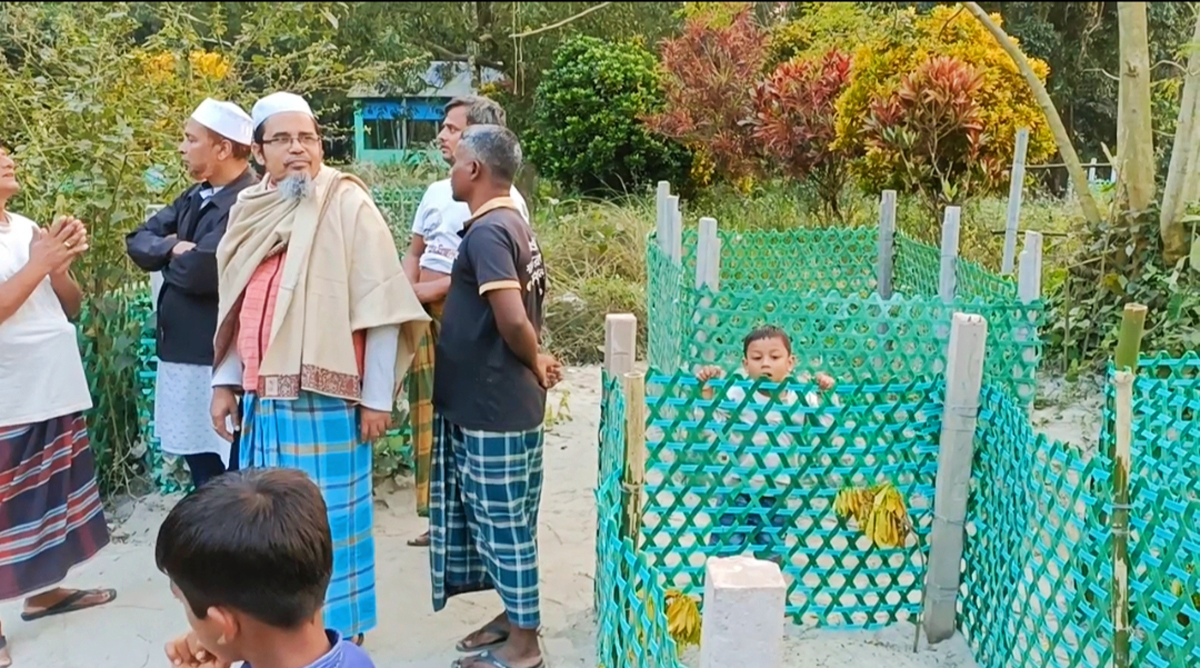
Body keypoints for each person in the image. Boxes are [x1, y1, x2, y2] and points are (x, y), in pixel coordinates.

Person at [209, 91, 430, 646]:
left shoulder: (346, 204)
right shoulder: (247, 211)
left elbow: (381, 305)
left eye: (307, 137)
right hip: (263, 405)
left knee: (328, 528)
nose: (298, 150)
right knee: (271, 531)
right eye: (282, 139)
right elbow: (238, 308)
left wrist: (378, 398)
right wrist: (224, 384)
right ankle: (279, 635)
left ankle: (341, 640)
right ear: (257, 151)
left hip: (326, 406)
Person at [429, 124, 559, 668]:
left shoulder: (487, 234)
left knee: (504, 527)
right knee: (510, 521)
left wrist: (534, 358)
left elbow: (510, 317)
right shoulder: (512, 224)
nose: (452, 170)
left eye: (456, 162)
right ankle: (512, 616)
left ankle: (524, 648)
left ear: (475, 170)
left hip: (494, 407)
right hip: (500, 403)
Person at [0, 146, 115, 668]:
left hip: (55, 387)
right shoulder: (30, 243)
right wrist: (39, 263)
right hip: (12, 396)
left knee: (54, 503)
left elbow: (66, 304)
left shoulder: (25, 228)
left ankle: (42, 592)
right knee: (7, 513)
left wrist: (59, 264)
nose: (8, 159)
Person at [401, 95, 530, 549]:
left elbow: (487, 278)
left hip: (462, 318)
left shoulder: (501, 205)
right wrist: (406, 294)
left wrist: (425, 293)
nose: (442, 136)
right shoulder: (440, 191)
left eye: (453, 129)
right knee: (427, 420)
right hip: (420, 313)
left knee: (464, 421)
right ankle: (436, 517)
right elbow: (416, 251)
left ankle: (471, 524)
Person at [126, 98, 257, 489]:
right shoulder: (194, 195)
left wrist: (172, 253)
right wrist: (172, 247)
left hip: (216, 362)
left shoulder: (245, 202)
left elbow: (204, 270)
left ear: (223, 148)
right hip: (183, 359)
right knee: (202, 469)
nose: (182, 148)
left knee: (228, 473)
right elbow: (137, 239)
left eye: (190, 139)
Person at [157, 468, 375, 668]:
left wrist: (222, 642)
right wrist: (223, 641)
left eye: (181, 599)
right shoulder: (354, 658)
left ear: (223, 625)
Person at [693, 326, 837, 565]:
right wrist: (707, 391)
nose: (766, 364)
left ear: (790, 363)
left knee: (771, 558)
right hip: (736, 492)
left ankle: (769, 600)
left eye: (775, 357)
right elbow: (708, 422)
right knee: (723, 556)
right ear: (745, 364)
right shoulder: (738, 394)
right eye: (757, 358)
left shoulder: (800, 398)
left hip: (776, 493)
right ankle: (719, 599)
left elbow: (825, 426)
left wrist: (825, 394)